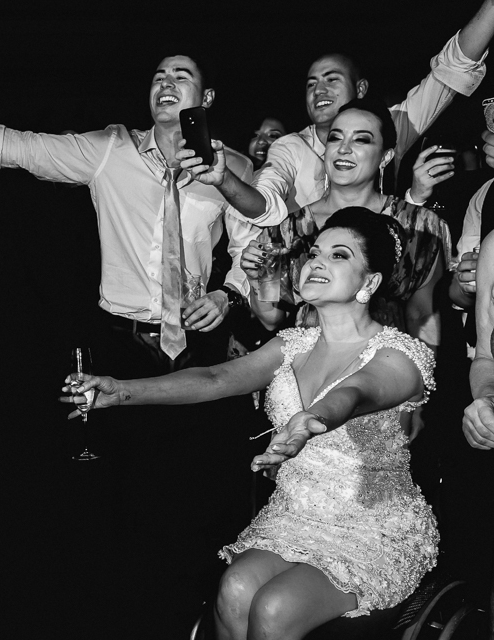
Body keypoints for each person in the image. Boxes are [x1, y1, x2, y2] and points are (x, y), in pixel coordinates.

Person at [0, 53, 259, 634]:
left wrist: (228, 295)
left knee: (194, 494)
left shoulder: (231, 165)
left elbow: (254, 244)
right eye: (158, 75)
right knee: (122, 496)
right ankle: (122, 612)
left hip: (199, 348)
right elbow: (20, 147)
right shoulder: (111, 149)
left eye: (181, 76)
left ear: (206, 100)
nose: (166, 83)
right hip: (126, 345)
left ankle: (191, 612)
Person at [63, 208, 438, 638]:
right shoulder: (292, 344)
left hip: (373, 527)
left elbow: (356, 393)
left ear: (369, 282)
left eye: (338, 255)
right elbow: (215, 378)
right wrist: (121, 392)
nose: (316, 263)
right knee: (234, 589)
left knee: (274, 608)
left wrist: (311, 419)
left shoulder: (401, 353)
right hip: (296, 518)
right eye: (314, 253)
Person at [193, 2, 494, 226]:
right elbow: (264, 203)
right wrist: (224, 180)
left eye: (331, 80)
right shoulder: (290, 147)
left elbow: (450, 71)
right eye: (311, 83)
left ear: (360, 88)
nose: (318, 90)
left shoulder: (389, 126)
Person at [235, 98, 451, 359]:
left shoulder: (418, 226)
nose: (344, 149)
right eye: (335, 138)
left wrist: (419, 375)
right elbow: (270, 318)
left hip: (386, 372)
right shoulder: (287, 230)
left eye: (361, 140)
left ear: (385, 156)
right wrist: (257, 277)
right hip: (310, 368)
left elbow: (423, 316)